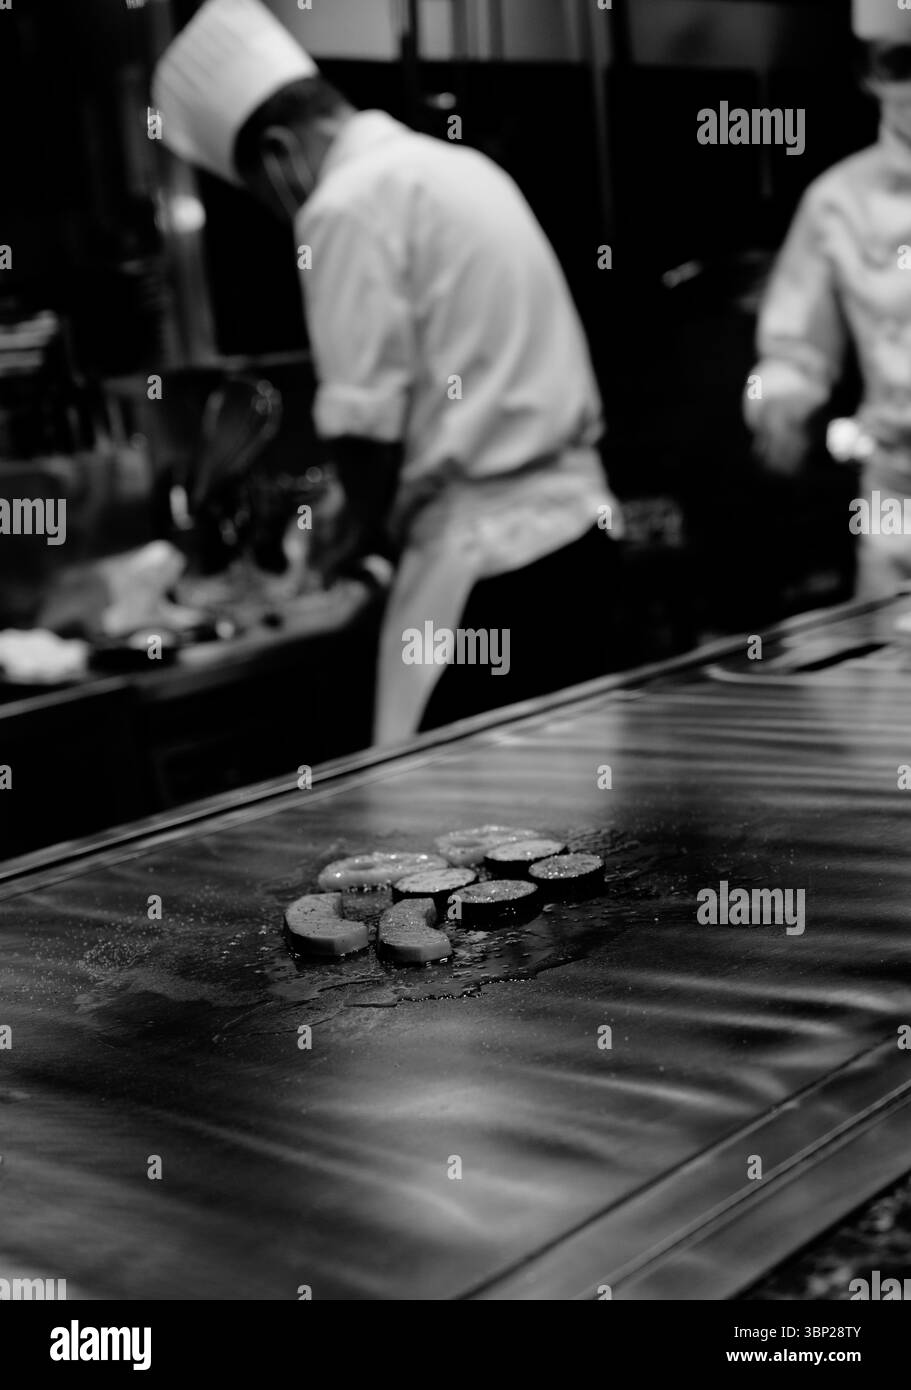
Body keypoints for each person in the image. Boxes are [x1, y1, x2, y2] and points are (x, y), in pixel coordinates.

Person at [152, 0, 622, 744]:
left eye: (261, 192)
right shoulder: (458, 167)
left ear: (279, 154)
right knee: (576, 832)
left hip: (492, 570)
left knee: (457, 838)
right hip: (578, 545)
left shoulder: (344, 204)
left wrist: (343, 534)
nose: (280, 213)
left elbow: (365, 425)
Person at [744, 0, 911, 599]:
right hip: (897, 492)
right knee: (891, 677)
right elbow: (794, 349)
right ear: (870, 74)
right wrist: (777, 405)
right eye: (902, 64)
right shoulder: (837, 199)